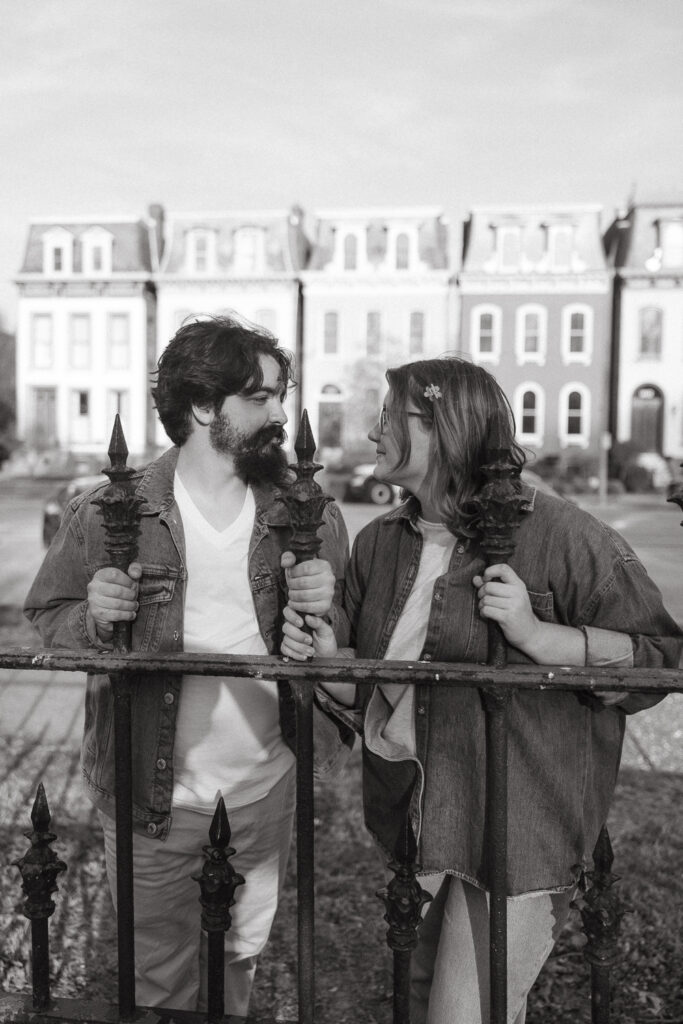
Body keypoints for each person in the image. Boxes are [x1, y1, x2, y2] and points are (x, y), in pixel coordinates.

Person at [281, 356, 682, 1024]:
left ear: (441, 428)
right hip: (415, 813)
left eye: (389, 416)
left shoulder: (559, 534)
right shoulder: (381, 543)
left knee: (461, 1013)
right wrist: (328, 661)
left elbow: (660, 659)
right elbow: (376, 696)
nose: (373, 432)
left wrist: (542, 638)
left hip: (517, 829)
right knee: (418, 998)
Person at [24, 314, 350, 1020]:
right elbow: (48, 612)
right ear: (203, 407)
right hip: (149, 796)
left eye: (280, 395)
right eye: (259, 398)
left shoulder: (309, 515)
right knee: (158, 980)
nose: (279, 414)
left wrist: (326, 609)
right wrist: (95, 615)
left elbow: (342, 650)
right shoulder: (112, 511)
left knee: (239, 963)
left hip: (264, 787)